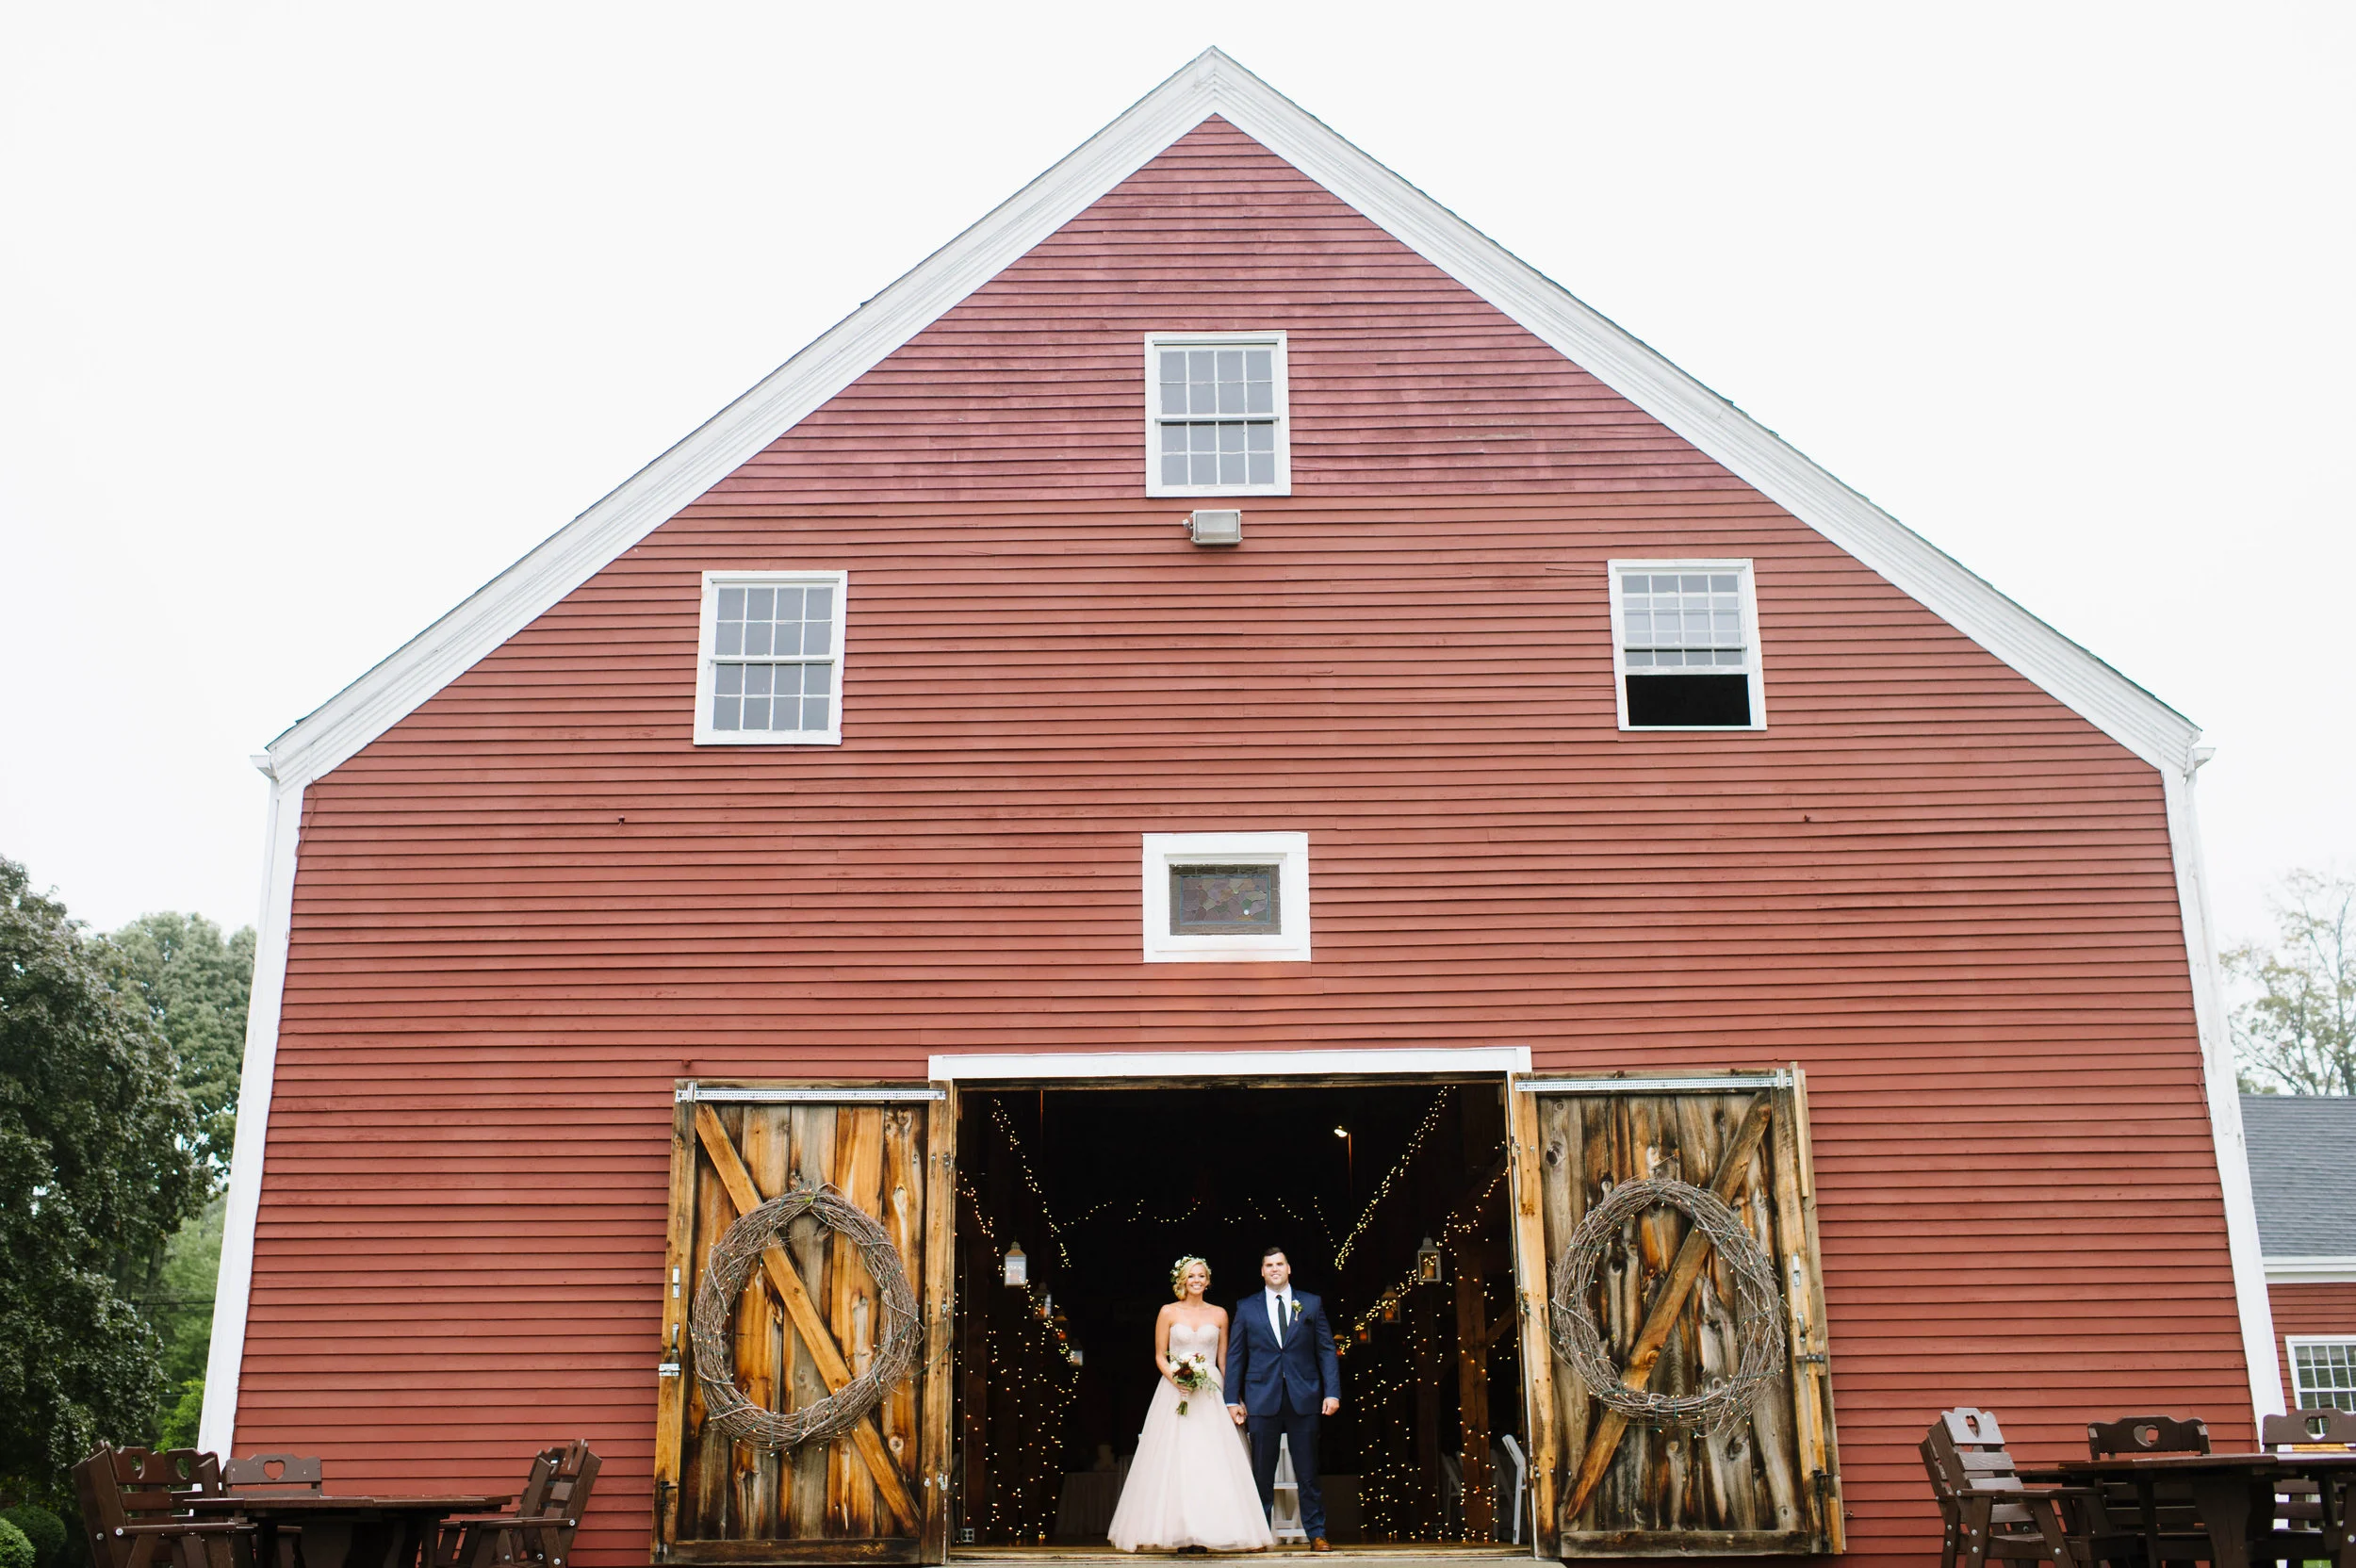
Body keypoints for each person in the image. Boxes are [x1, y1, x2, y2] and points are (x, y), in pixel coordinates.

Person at [1106, 1256, 1274, 1552]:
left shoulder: (1220, 1314)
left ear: (1208, 1281)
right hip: (1176, 1390)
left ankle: (1213, 1531)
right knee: (1178, 1459)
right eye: (1190, 1276)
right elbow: (1160, 1355)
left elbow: (1224, 1361)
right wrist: (1177, 1378)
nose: (1195, 1281)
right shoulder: (1167, 1312)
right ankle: (1180, 1531)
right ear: (1182, 1281)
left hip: (1210, 1390)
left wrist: (1234, 1399)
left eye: (1200, 1276)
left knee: (1212, 1459)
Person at [1225, 1246, 1340, 1552]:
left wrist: (1332, 1392)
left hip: (1304, 1396)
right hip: (1261, 1397)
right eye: (1268, 1265)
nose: (1274, 1269)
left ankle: (1316, 1533)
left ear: (1289, 1269)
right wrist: (1230, 1399)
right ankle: (1260, 1535)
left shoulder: (1311, 1304)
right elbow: (1236, 1355)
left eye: (1280, 1264)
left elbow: (1326, 1350)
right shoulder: (1247, 1307)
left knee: (1308, 1470)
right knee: (1262, 1471)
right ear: (1262, 1271)